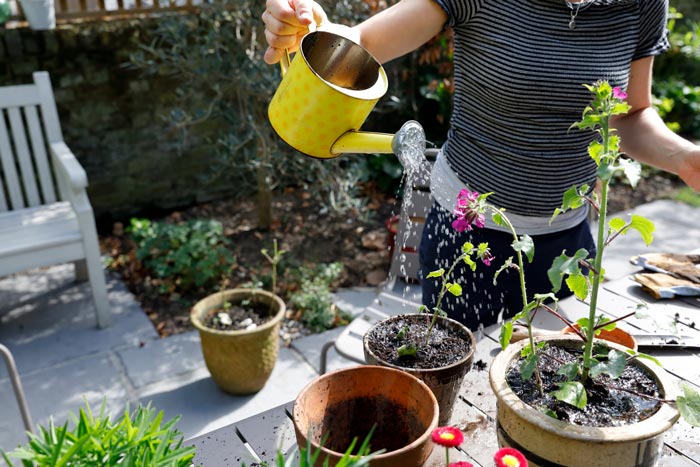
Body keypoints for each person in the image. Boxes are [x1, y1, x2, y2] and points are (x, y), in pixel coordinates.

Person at [262, 0, 700, 331]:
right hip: (467, 240)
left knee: (553, 397)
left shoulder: (642, 4)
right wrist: (310, 29)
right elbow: (367, 41)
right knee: (461, 396)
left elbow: (628, 115)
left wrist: (686, 159)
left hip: (569, 246)